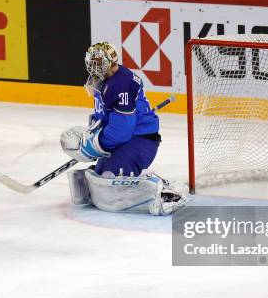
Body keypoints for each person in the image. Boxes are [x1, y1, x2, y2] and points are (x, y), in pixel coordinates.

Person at [60, 42, 185, 215]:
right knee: (100, 174)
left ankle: (163, 190)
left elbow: (122, 131)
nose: (92, 66)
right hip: (127, 138)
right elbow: (103, 116)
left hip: (140, 141)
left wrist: (97, 144)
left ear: (109, 61)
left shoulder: (121, 84)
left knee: (110, 177)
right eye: (91, 61)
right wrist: (93, 133)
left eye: (97, 61)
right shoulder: (101, 79)